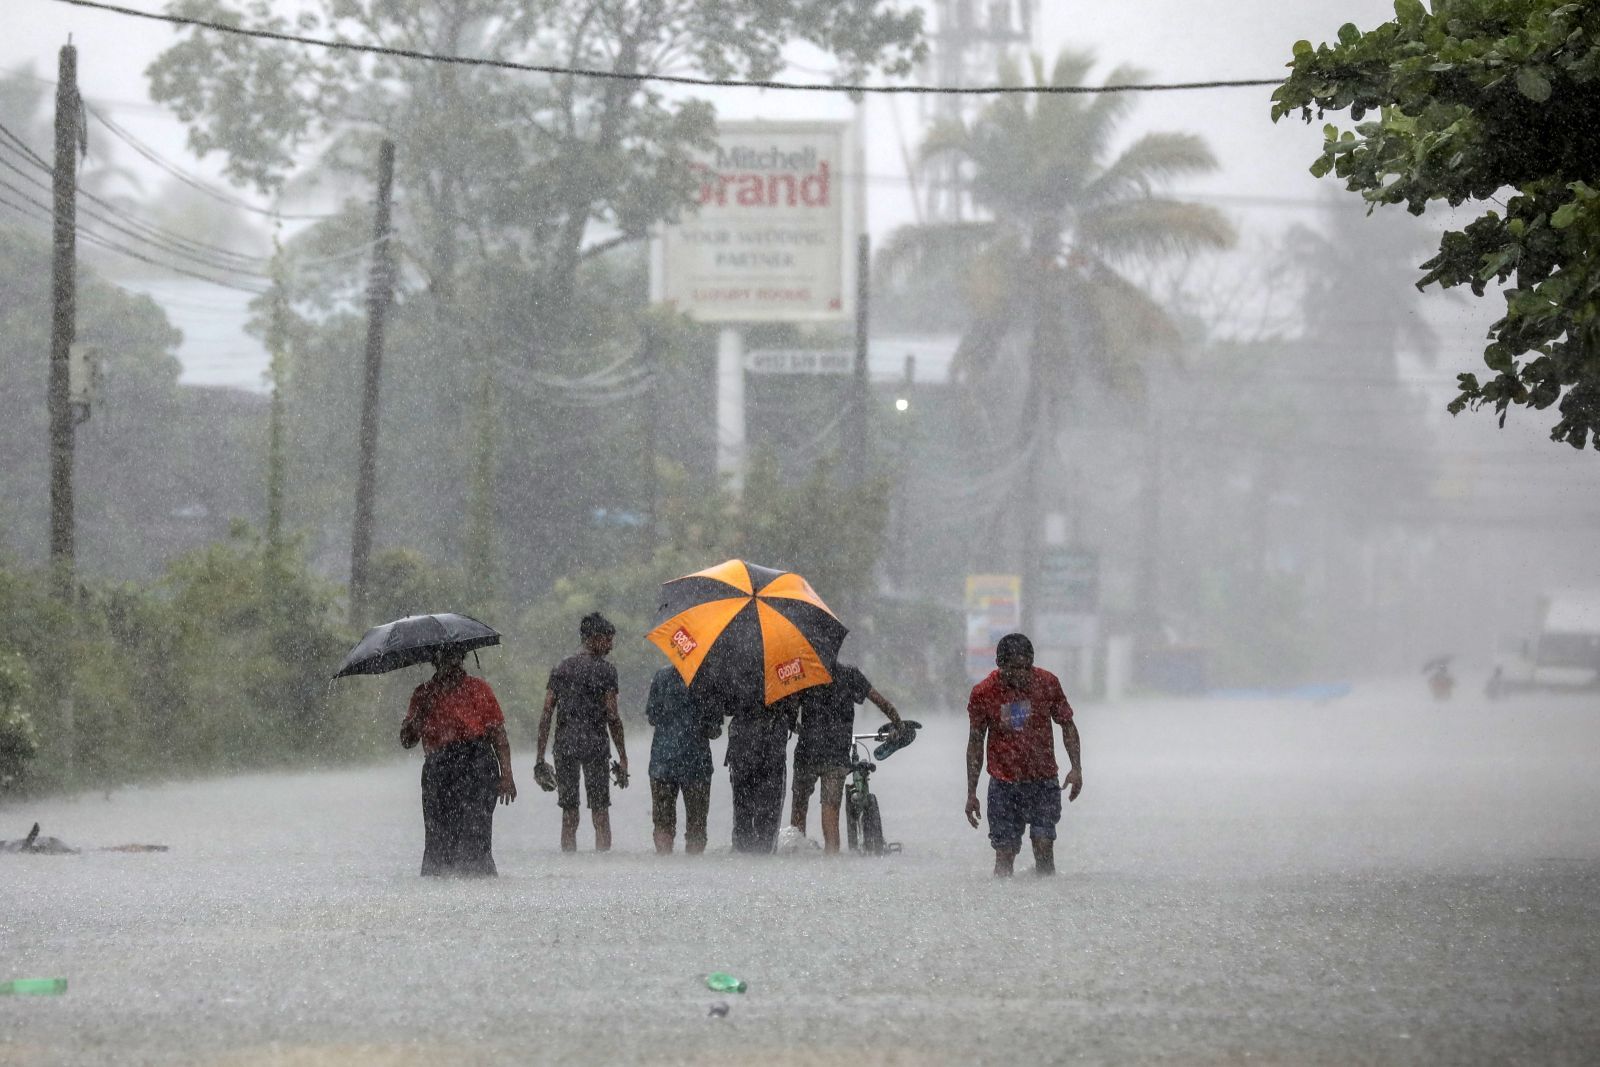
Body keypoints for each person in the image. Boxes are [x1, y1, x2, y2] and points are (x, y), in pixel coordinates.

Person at [964, 633, 1082, 877]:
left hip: (1043, 781)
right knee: (1004, 855)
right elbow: (976, 742)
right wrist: (971, 793)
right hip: (1003, 785)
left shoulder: (1047, 683)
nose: (1021, 674)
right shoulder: (984, 692)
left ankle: (1046, 905)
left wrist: (1076, 768)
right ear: (1000, 664)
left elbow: (1067, 725)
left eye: (1025, 667)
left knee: (1044, 846)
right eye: (1014, 668)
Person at [399, 647, 517, 877]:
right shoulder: (423, 694)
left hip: (477, 766)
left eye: (455, 658)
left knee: (476, 835)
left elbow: (498, 735)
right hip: (439, 770)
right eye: (445, 658)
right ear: (436, 660)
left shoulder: (478, 689)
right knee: (438, 839)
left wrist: (507, 776)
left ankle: (479, 886)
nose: (452, 664)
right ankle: (440, 892)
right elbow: (407, 740)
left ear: (462, 659)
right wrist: (420, 715)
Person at [789, 662, 906, 853]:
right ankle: (832, 865)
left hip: (806, 754)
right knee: (831, 815)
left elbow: (791, 712)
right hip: (835, 757)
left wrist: (799, 728)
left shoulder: (804, 675)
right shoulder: (849, 675)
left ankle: (794, 859)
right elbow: (880, 701)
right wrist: (898, 723)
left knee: (798, 813)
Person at [536, 613, 629, 852]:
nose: (610, 647)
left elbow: (547, 712)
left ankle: (570, 866)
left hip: (565, 746)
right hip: (595, 747)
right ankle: (603, 871)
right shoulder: (606, 671)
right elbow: (613, 716)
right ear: (594, 639)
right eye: (608, 640)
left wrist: (539, 758)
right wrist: (623, 756)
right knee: (600, 813)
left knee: (569, 814)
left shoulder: (560, 669)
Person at [645, 666, 721, 854]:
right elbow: (714, 730)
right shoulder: (709, 679)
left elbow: (652, 718)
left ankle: (664, 869)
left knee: (662, 824)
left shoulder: (661, 676)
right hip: (697, 763)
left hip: (663, 762)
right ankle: (693, 874)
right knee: (697, 825)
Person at [723, 691, 798, 854]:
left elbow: (726, 707)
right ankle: (764, 855)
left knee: (742, 806)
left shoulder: (735, 669)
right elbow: (792, 712)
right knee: (769, 809)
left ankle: (743, 852)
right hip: (771, 752)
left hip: (741, 750)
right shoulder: (781, 673)